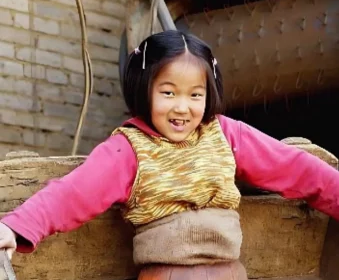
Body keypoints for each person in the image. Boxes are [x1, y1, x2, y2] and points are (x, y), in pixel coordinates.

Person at [1, 29, 339, 261]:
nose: (182, 107)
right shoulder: (128, 150)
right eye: (168, 92)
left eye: (195, 95)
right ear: (144, 89)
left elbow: (296, 168)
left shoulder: (225, 134)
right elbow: (73, 193)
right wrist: (16, 227)